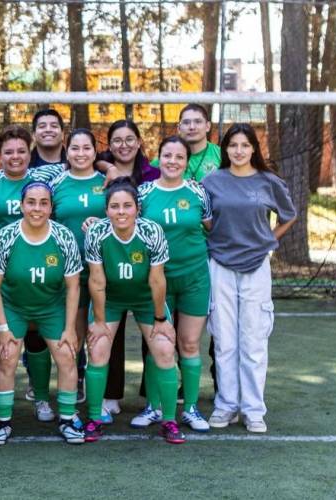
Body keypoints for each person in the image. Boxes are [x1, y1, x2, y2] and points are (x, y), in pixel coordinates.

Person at [0, 125, 65, 424]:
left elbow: (80, 160)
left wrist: (108, 166)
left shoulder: (43, 178)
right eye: (8, 151)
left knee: (36, 335)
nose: (15, 156)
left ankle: (41, 397)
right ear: (0, 155)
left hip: (38, 265)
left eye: (21, 150)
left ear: (29, 151)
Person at [203, 123, 296, 433]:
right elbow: (205, 219)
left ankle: (253, 409)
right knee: (225, 340)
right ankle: (226, 405)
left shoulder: (268, 182)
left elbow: (289, 215)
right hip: (221, 264)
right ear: (225, 149)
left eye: (244, 145)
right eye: (233, 145)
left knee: (254, 340)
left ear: (254, 148)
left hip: (256, 266)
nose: (239, 150)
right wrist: (215, 236)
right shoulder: (212, 181)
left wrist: (269, 240)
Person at [83, 176, 184, 444]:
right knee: (98, 348)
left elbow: (157, 279)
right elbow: (96, 279)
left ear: (137, 208)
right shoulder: (97, 232)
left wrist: (161, 318)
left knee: (164, 350)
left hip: (145, 298)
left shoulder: (152, 231)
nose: (121, 212)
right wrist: (100, 321)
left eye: (127, 206)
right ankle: (94, 418)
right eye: (115, 207)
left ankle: (170, 421)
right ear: (106, 210)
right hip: (111, 298)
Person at [0, 181, 83, 445]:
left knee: (66, 355)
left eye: (43, 203)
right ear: (21, 205)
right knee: (6, 357)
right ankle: (2, 423)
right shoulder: (5, 237)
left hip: (51, 306)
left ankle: (67, 419)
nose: (36, 209)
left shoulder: (63, 237)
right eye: (31, 202)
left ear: (51, 207)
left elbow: (73, 286)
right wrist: (2, 328)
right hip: (13, 305)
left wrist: (70, 328)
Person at [131, 137, 213, 433]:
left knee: (189, 343)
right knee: (160, 345)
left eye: (179, 157)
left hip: (194, 277)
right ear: (158, 158)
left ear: (186, 161)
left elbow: (209, 227)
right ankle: (154, 407)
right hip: (157, 280)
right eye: (167, 155)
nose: (173, 161)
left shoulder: (198, 193)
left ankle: (190, 408)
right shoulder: (144, 193)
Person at [93, 119, 160, 420]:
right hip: (108, 263)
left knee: (154, 335)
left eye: (130, 139)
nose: (124, 145)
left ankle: (153, 398)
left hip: (146, 263)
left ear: (139, 142)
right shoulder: (99, 171)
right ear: (109, 145)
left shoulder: (153, 175)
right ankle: (110, 396)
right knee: (110, 335)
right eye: (117, 140)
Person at [50, 129, 106, 403]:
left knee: (96, 328)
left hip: (102, 271)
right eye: (75, 148)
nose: (81, 154)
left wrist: (102, 225)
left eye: (86, 148)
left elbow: (125, 216)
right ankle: (73, 377)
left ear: (95, 153)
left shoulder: (107, 182)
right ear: (66, 150)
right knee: (72, 326)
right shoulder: (56, 184)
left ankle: (94, 384)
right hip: (66, 271)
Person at [151, 104, 221, 182]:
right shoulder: (164, 161)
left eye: (198, 122)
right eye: (186, 122)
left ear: (208, 126)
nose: (192, 127)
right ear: (179, 128)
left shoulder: (221, 156)